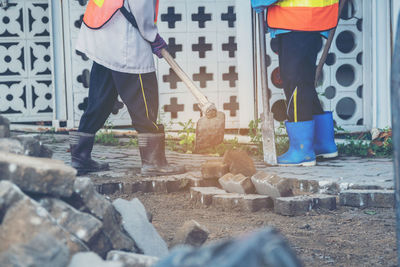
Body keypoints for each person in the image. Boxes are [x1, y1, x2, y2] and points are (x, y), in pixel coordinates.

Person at [70, 0, 185, 176]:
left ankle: (79, 157)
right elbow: (140, 5)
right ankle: (153, 162)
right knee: (145, 101)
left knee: (99, 101)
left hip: (103, 37)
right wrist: (152, 35)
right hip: (126, 40)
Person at [252, 0, 339, 166]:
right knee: (304, 81)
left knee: (295, 82)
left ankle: (302, 149)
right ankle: (323, 144)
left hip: (296, 21)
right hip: (309, 21)